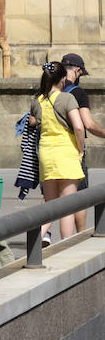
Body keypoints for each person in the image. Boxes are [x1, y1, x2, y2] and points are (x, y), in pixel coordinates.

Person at [29, 59, 85, 245]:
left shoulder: (37, 101)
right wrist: (81, 148)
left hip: (46, 153)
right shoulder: (67, 98)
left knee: (50, 203)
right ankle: (66, 244)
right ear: (62, 78)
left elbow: (32, 122)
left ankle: (36, 240)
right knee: (67, 205)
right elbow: (78, 127)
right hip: (66, 152)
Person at [61, 52, 105, 233]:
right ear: (77, 70)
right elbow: (87, 124)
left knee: (50, 197)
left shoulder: (49, 89)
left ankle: (44, 235)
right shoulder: (76, 92)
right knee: (78, 196)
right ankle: (79, 236)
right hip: (72, 149)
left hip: (49, 149)